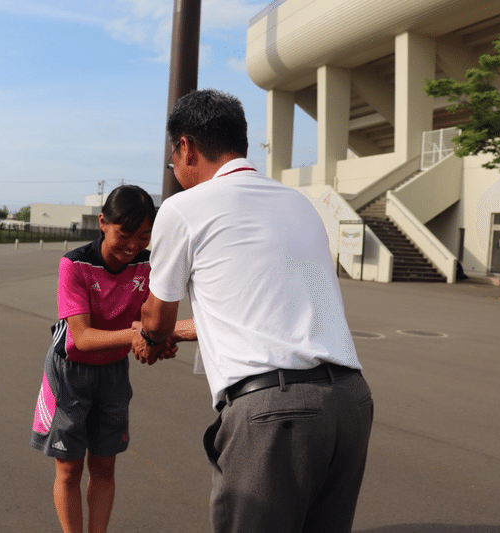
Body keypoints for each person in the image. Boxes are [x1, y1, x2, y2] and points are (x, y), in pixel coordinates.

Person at [133, 89, 373, 533]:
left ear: (185, 147)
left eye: (172, 160)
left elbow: (157, 319)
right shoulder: (298, 204)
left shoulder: (183, 209)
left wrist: (150, 337)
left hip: (274, 415)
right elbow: (261, 313)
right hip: (350, 403)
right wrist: (184, 331)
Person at [30, 185, 184, 533]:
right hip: (69, 372)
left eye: (143, 235)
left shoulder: (151, 263)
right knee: (69, 469)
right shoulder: (75, 264)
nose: (133, 246)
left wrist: (159, 340)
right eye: (124, 234)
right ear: (103, 222)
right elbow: (81, 337)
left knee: (104, 468)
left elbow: (156, 320)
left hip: (113, 371)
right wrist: (144, 337)